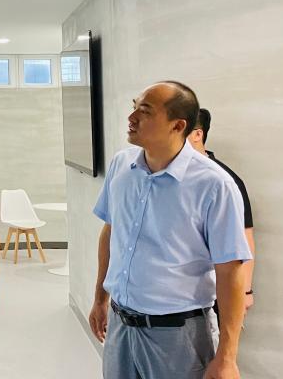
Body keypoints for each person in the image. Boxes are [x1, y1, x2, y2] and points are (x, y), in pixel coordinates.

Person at [88, 82, 251, 379]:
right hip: (120, 326)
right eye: (134, 107)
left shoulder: (214, 184)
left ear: (178, 125)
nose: (132, 117)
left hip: (178, 337)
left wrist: (227, 357)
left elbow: (231, 270)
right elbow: (111, 232)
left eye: (145, 111)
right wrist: (100, 299)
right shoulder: (121, 166)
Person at [188, 108, 256, 316]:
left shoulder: (224, 180)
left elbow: (244, 238)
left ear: (198, 134)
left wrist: (245, 291)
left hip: (216, 291)